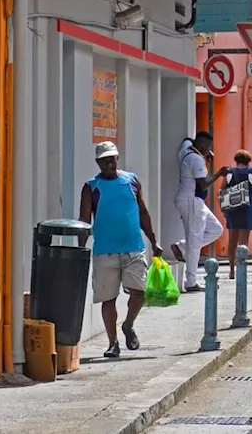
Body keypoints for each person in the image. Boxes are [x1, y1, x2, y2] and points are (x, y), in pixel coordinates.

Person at [78, 141, 162, 359]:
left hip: (133, 247)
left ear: (117, 158)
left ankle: (128, 325)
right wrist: (80, 248)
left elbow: (143, 212)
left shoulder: (131, 181)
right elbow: (84, 220)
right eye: (104, 160)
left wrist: (153, 240)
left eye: (112, 158)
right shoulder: (91, 187)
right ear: (97, 162)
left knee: (139, 292)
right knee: (109, 298)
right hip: (105, 250)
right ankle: (112, 342)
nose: (109, 163)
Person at [172, 131, 226, 291]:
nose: (209, 150)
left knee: (216, 229)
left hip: (194, 201)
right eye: (208, 146)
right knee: (195, 242)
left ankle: (182, 246)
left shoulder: (186, 149)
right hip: (192, 201)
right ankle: (191, 282)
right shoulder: (196, 159)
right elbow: (203, 184)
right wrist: (219, 174)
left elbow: (187, 140)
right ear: (201, 145)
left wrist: (205, 154)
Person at [221, 150, 252, 280]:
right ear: (248, 161)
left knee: (232, 241)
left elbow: (222, 190)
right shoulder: (251, 172)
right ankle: (241, 268)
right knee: (244, 242)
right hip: (247, 208)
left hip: (232, 209)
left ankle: (231, 270)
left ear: (236, 160)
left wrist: (224, 210)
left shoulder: (230, 173)